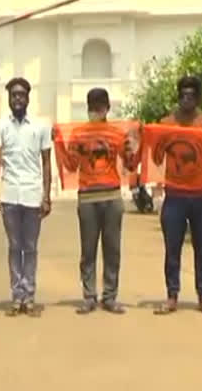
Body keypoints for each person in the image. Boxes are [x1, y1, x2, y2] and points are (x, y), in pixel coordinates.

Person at [154, 75, 202, 316]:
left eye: (192, 95)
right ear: (178, 96)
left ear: (198, 97)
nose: (187, 99)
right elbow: (155, 154)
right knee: (172, 248)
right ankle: (172, 296)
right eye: (183, 94)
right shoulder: (165, 124)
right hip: (174, 195)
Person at [67, 88, 137, 315]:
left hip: (112, 196)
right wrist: (62, 144)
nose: (95, 111)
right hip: (87, 197)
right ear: (87, 109)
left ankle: (109, 296)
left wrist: (133, 146)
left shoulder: (117, 134)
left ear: (107, 108)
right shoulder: (78, 134)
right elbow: (70, 164)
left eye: (99, 107)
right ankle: (89, 296)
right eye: (92, 107)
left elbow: (129, 165)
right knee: (88, 251)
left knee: (112, 249)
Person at [0, 77, 52, 317]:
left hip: (32, 195)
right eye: (13, 95)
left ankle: (30, 296)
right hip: (9, 195)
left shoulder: (40, 126)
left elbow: (46, 162)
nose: (17, 99)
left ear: (28, 98)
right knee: (15, 247)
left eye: (21, 95)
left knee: (31, 247)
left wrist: (47, 195)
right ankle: (17, 296)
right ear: (8, 98)